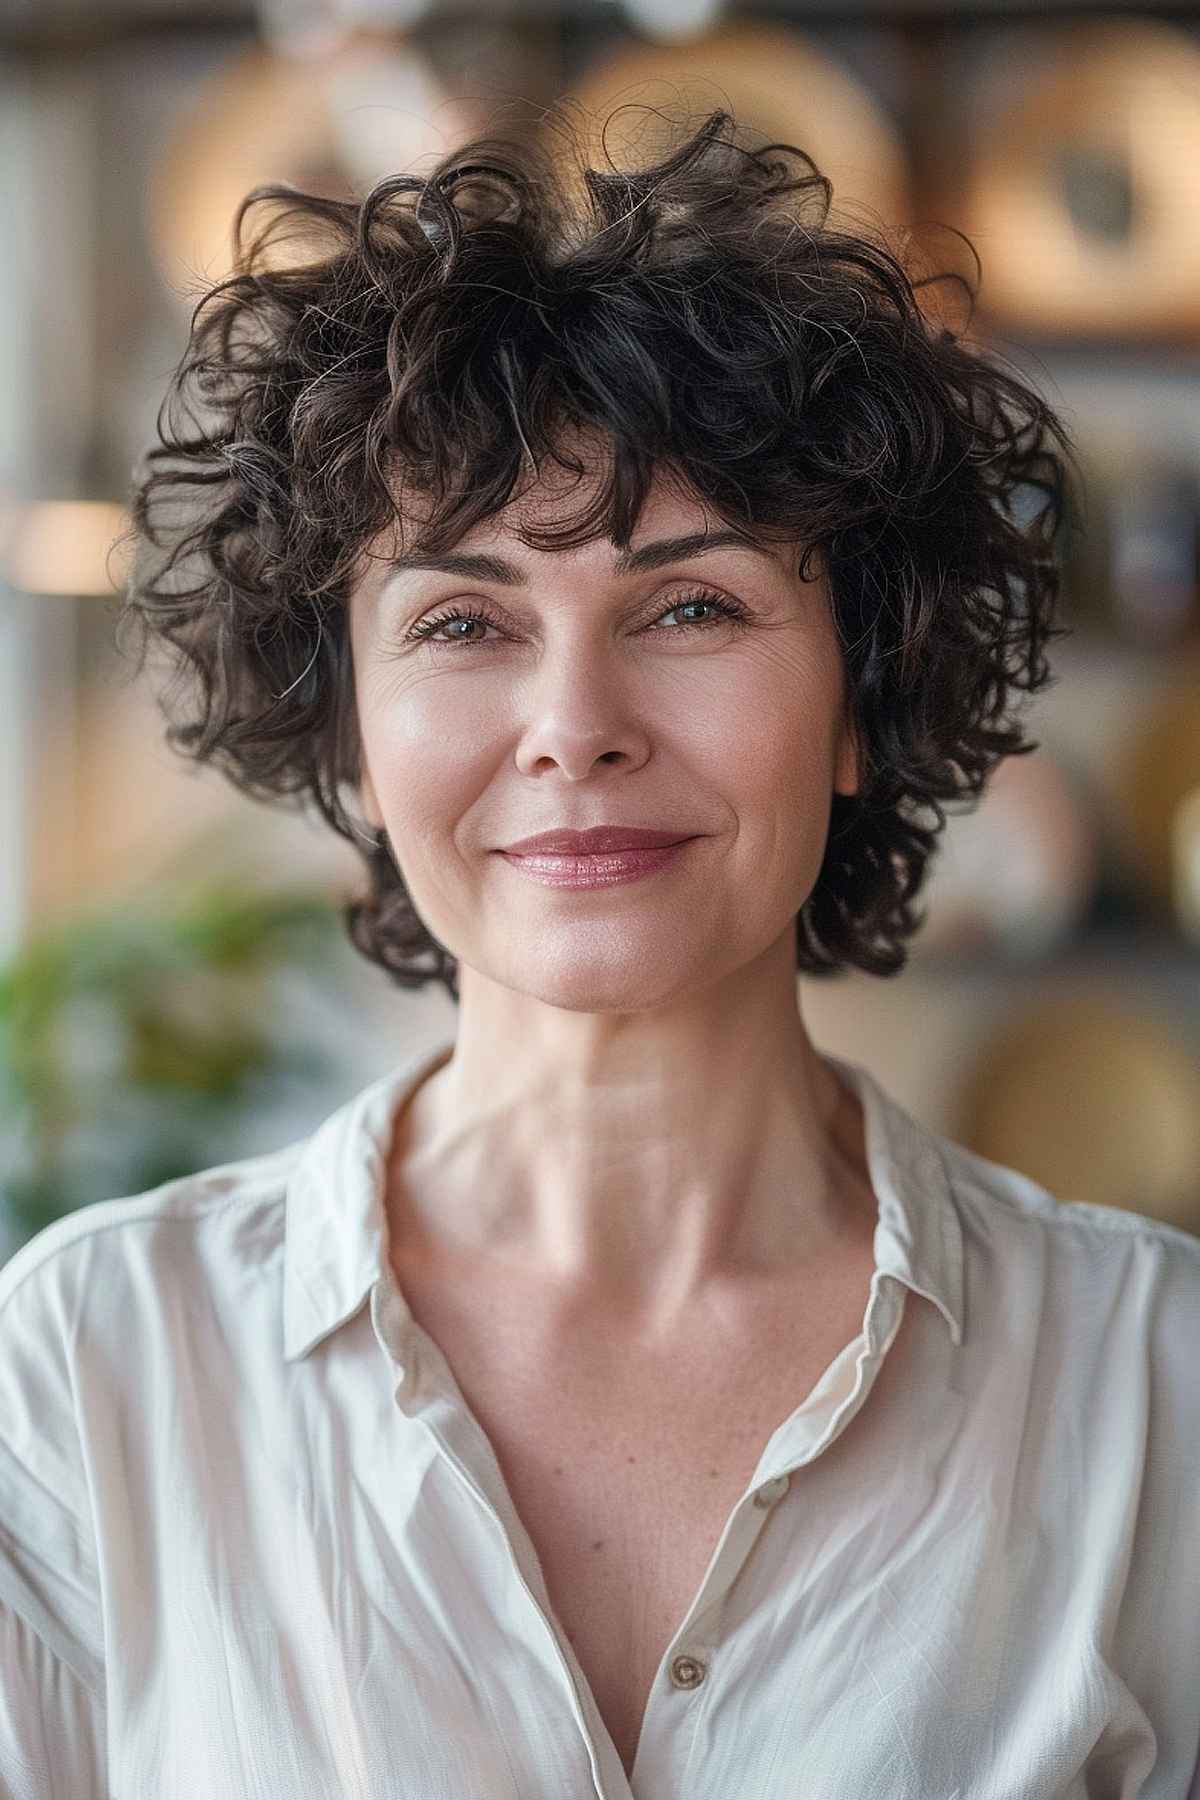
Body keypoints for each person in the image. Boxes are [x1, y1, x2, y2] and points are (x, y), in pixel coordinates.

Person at [1, 105, 1197, 1800]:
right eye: (464, 622)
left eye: (693, 606)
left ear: (858, 694)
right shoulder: (83, 1374)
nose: (574, 727)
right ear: (347, 728)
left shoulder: (1158, 1389)